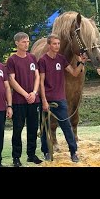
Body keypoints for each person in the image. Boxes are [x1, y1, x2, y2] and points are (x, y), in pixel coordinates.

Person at [38, 33, 88, 163]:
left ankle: (73, 152)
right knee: (45, 127)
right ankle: (46, 152)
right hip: (47, 100)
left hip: (60, 100)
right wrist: (43, 100)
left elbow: (74, 72)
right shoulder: (43, 60)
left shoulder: (61, 59)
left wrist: (81, 63)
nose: (57, 46)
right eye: (54, 44)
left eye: (58, 44)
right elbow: (41, 82)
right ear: (49, 45)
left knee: (66, 126)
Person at [6, 32, 43, 167]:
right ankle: (16, 157)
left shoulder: (32, 58)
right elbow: (11, 80)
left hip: (34, 100)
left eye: (28, 41)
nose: (26, 44)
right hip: (19, 101)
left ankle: (31, 155)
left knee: (33, 129)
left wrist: (33, 92)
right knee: (18, 129)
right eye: (23, 42)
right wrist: (25, 94)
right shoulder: (12, 60)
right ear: (17, 43)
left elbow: (37, 76)